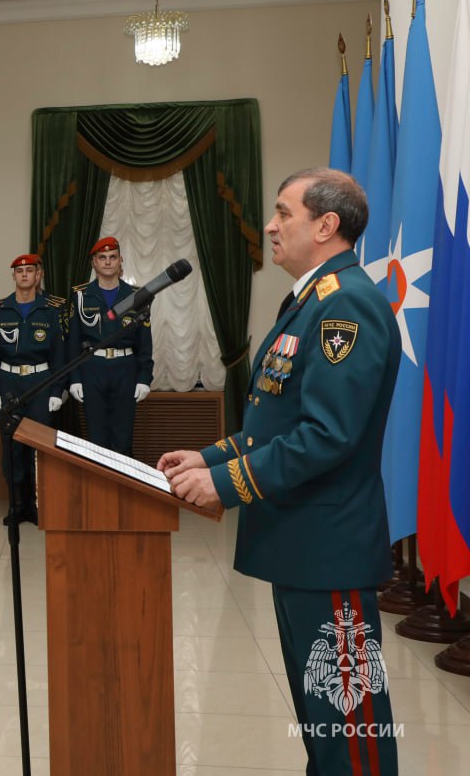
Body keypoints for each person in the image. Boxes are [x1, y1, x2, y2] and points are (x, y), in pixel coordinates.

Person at [159, 168, 400, 775]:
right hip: (301, 545)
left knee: (350, 731)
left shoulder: (346, 306)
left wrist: (225, 485)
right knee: (323, 726)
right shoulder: (310, 302)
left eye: (284, 213)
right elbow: (275, 422)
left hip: (329, 548)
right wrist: (209, 458)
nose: (270, 226)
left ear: (326, 225)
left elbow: (327, 436)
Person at [0, 253, 66, 525]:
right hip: (9, 383)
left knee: (40, 448)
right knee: (12, 447)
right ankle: (17, 506)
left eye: (30, 271)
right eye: (20, 272)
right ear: (14, 276)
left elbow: (59, 356)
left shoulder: (51, 310)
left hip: (40, 383)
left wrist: (57, 391)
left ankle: (38, 506)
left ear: (38, 275)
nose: (25, 275)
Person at [67, 237, 153, 456]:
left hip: (125, 369)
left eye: (112, 257)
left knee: (123, 440)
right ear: (94, 263)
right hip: (92, 369)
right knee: (96, 440)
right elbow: (72, 342)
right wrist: (75, 378)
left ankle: (122, 479)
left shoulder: (136, 296)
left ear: (120, 261)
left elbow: (145, 342)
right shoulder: (80, 296)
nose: (107, 262)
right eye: (102, 257)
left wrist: (144, 377)